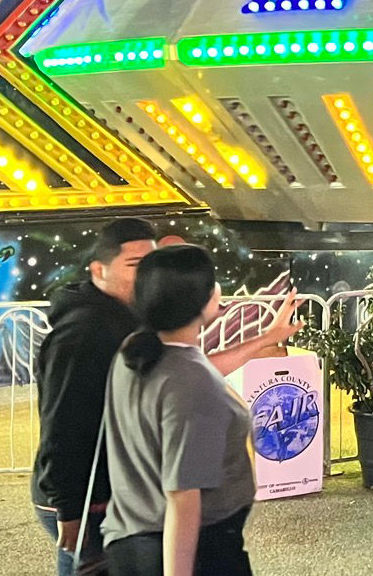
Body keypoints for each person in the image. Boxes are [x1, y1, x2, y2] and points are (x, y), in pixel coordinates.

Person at [103, 245, 270, 576]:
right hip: (196, 553)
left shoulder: (134, 352)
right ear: (203, 300)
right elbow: (183, 497)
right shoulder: (191, 380)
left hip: (132, 540)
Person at [33, 218, 158, 575]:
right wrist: (70, 511)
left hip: (108, 490)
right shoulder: (83, 333)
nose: (146, 276)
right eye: (134, 266)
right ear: (99, 270)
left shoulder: (126, 318)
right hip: (86, 498)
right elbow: (62, 423)